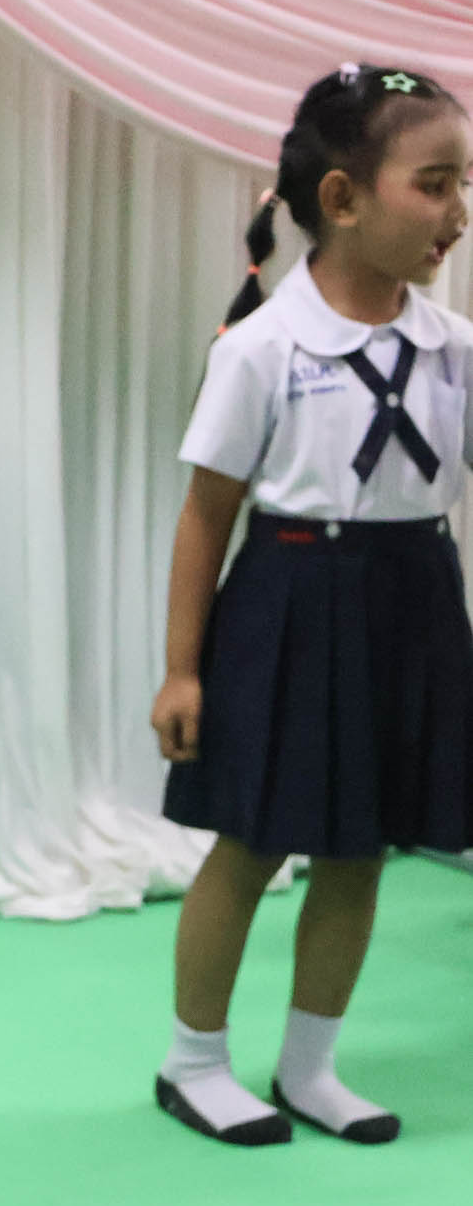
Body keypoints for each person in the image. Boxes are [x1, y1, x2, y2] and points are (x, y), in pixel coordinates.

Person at [152, 64, 471, 1147]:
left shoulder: (456, 350)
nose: (458, 212)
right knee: (250, 842)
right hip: (291, 598)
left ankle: (310, 1066)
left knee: (361, 847)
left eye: (465, 184)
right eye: (434, 184)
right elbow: (206, 517)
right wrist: (182, 669)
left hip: (414, 599)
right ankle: (195, 1062)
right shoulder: (261, 349)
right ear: (342, 199)